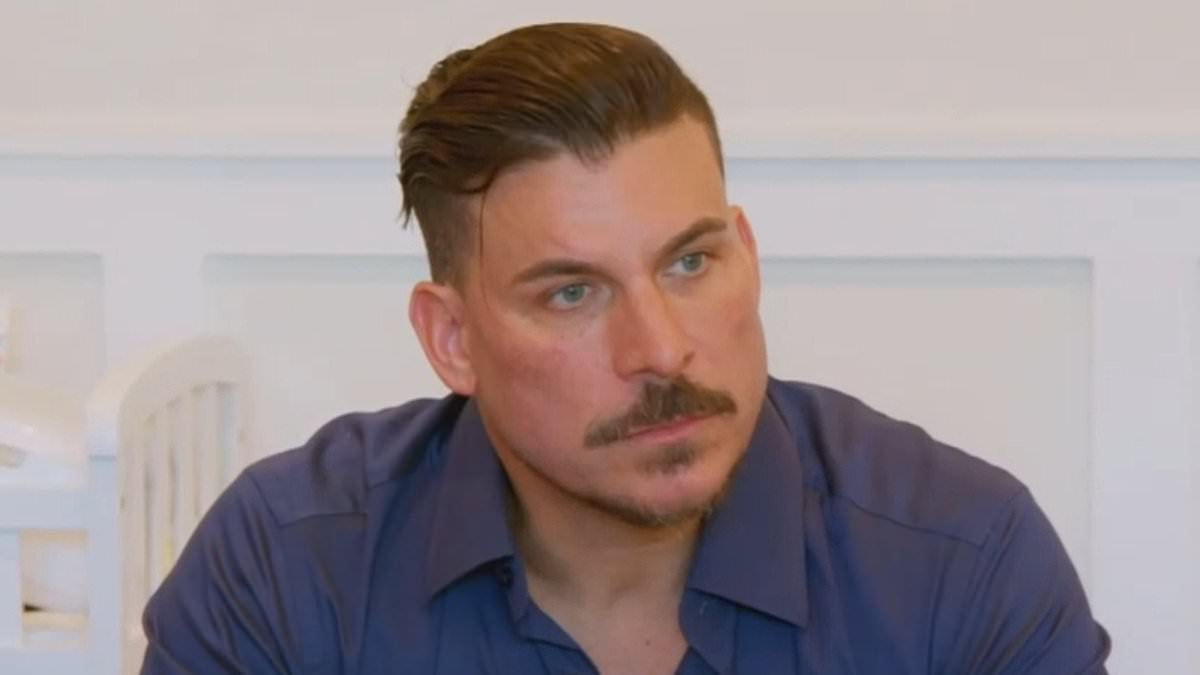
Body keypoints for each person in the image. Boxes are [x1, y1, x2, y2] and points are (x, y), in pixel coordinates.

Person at [140, 22, 1110, 674]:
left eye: (690, 263)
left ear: (747, 255)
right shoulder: (287, 569)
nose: (662, 350)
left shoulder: (961, 564)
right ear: (453, 339)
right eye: (572, 292)